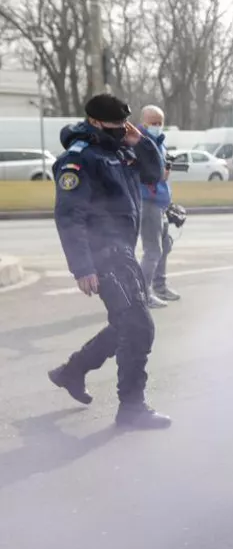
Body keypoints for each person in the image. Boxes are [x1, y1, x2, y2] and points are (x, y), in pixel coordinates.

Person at [46, 93, 173, 430]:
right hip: (102, 253)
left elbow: (155, 174)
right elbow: (69, 215)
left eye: (124, 122)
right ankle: (131, 408)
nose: (122, 127)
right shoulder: (79, 159)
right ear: (94, 121)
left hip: (123, 250)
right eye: (115, 123)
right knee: (139, 327)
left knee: (125, 323)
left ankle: (72, 371)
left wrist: (141, 141)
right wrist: (83, 267)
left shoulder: (120, 149)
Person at [138, 105, 180, 308]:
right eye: (152, 122)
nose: (157, 126)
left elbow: (162, 175)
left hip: (159, 202)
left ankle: (159, 286)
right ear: (143, 122)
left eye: (159, 122)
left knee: (165, 246)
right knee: (153, 250)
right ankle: (142, 294)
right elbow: (149, 176)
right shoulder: (141, 144)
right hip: (147, 202)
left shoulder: (158, 143)